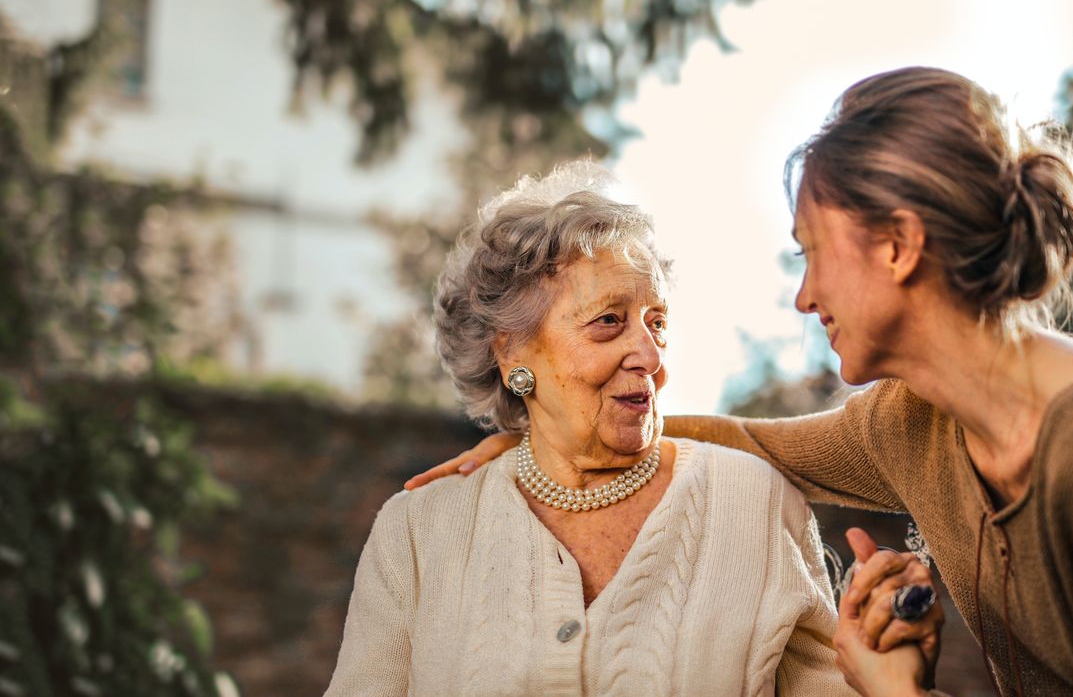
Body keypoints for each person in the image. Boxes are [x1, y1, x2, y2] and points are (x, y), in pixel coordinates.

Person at [408, 68, 1073, 696]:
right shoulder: (912, 422)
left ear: (897, 245)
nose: (804, 295)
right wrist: (545, 426)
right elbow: (746, 441)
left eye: (811, 251)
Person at [326, 162, 888, 695]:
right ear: (512, 351)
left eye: (658, 322)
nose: (648, 354)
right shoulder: (419, 532)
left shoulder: (757, 503)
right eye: (609, 322)